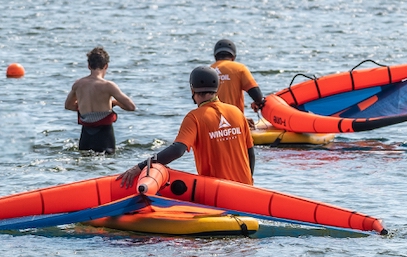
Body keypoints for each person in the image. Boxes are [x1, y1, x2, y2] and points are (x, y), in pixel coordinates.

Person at [118, 66, 254, 189]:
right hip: (246, 191)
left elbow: (177, 150)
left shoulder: (194, 117)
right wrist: (250, 183)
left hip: (217, 193)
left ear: (192, 89)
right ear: (217, 88)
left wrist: (142, 166)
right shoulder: (237, 112)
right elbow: (250, 153)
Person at [63, 46, 135, 155]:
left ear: (88, 66)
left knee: (85, 160)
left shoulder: (78, 84)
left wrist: (83, 104)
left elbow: (68, 106)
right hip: (104, 136)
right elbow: (131, 107)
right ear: (106, 66)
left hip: (86, 135)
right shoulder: (108, 86)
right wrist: (114, 103)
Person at [211, 39, 266, 113]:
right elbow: (257, 95)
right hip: (234, 118)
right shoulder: (240, 69)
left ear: (215, 57)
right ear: (234, 57)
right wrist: (258, 103)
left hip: (211, 119)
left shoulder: (208, 70)